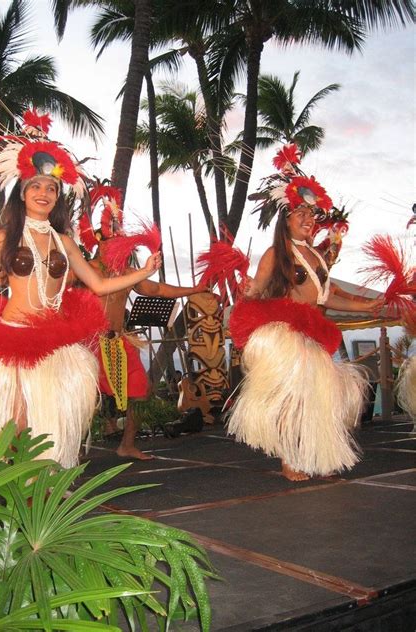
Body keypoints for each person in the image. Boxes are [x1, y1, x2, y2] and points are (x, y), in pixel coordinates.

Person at [0, 110, 161, 468]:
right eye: (37, 187)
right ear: (23, 193)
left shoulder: (64, 242)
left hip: (54, 345)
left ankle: (43, 491)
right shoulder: (5, 237)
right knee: (15, 429)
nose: (44, 193)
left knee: (51, 430)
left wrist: (142, 273)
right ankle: (17, 494)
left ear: (58, 197)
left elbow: (100, 284)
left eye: (52, 189)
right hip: (14, 340)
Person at [228, 144, 382, 481]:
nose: (309, 221)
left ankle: (315, 454)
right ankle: (288, 458)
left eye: (313, 216)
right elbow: (257, 287)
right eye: (302, 214)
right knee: (292, 399)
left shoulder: (315, 256)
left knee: (318, 402)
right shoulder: (277, 253)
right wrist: (248, 289)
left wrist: (364, 305)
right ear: (286, 218)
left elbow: (327, 299)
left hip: (312, 332)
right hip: (287, 335)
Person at [78, 183, 207, 459]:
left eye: (119, 243)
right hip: (88, 343)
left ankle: (127, 444)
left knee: (142, 391)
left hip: (119, 342)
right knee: (81, 400)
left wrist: (195, 289)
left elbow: (158, 290)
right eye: (111, 241)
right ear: (99, 242)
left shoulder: (128, 272)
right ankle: (66, 451)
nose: (115, 247)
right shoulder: (86, 270)